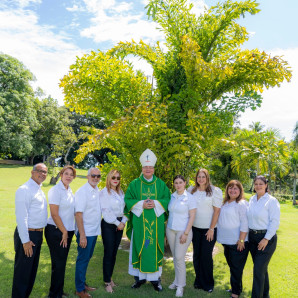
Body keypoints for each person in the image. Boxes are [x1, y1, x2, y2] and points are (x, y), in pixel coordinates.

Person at [124, 148, 171, 292]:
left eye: (150, 167)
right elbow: (128, 200)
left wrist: (155, 203)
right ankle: (138, 279)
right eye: (146, 167)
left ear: (154, 168)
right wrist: (141, 204)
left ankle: (156, 281)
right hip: (139, 225)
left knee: (153, 249)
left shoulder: (161, 184)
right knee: (140, 248)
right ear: (142, 168)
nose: (148, 169)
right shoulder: (134, 184)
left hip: (155, 225)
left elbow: (167, 199)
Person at [12, 163, 48, 298]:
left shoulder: (39, 189)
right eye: (40, 171)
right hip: (27, 235)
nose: (43, 174)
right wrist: (25, 241)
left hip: (38, 234)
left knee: (31, 272)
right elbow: (22, 217)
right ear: (32, 172)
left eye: (45, 172)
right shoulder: (24, 189)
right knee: (22, 273)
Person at [188, 168, 223, 293]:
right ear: (196, 178)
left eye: (203, 177)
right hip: (195, 228)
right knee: (196, 255)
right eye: (199, 176)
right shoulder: (191, 190)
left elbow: (217, 211)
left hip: (209, 230)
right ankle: (198, 281)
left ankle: (208, 283)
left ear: (207, 178)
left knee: (206, 256)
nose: (201, 179)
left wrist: (211, 229)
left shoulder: (215, 191)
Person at [45, 165, 77, 298]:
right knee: (58, 264)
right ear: (61, 174)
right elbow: (54, 214)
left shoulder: (69, 190)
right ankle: (54, 295)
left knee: (60, 263)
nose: (69, 176)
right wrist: (64, 232)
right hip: (56, 231)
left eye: (71, 174)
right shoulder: (55, 190)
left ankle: (58, 291)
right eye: (66, 173)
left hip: (66, 231)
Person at [247, 176, 280, 298]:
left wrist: (266, 239)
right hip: (252, 238)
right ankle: (265, 295)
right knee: (262, 269)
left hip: (266, 239)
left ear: (266, 185)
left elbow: (274, 222)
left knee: (258, 270)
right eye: (256, 184)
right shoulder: (251, 199)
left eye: (261, 184)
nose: (258, 186)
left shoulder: (271, 201)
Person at [217, 180, 249, 298]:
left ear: (240, 191)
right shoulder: (225, 203)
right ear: (227, 190)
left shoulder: (241, 203)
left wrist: (241, 240)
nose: (233, 190)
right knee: (233, 267)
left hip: (238, 242)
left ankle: (235, 293)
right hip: (227, 241)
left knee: (236, 268)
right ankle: (236, 287)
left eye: (236, 188)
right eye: (230, 188)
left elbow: (245, 222)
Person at [166, 175, 196, 297]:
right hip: (171, 230)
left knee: (179, 257)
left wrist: (186, 233)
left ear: (185, 183)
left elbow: (192, 216)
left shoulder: (190, 198)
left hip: (183, 232)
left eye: (180, 182)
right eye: (176, 183)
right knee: (175, 257)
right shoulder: (172, 196)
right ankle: (176, 281)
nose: (178, 185)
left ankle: (180, 286)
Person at [74, 168, 102, 298]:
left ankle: (83, 284)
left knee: (86, 259)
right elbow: (78, 214)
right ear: (87, 176)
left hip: (94, 231)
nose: (96, 178)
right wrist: (82, 235)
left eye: (98, 176)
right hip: (85, 233)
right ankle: (80, 290)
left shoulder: (97, 190)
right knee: (82, 260)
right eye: (93, 175)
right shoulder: (82, 192)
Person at [99, 169, 127, 293]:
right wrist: (118, 223)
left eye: (118, 178)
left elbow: (126, 209)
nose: (116, 180)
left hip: (120, 224)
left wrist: (123, 222)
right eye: (113, 177)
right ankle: (106, 282)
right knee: (108, 252)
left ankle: (110, 278)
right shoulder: (104, 193)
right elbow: (106, 211)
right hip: (109, 225)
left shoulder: (121, 192)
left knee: (114, 253)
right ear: (109, 178)